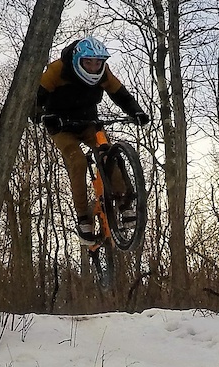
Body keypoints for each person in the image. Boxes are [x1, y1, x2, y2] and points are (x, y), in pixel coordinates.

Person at [33, 36, 149, 244]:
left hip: (88, 122)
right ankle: (83, 219)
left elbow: (120, 94)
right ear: (78, 60)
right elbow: (35, 100)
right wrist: (40, 114)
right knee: (76, 162)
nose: (94, 67)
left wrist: (136, 112)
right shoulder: (57, 70)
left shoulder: (104, 72)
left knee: (107, 152)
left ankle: (124, 203)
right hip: (61, 126)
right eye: (89, 62)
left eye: (98, 62)